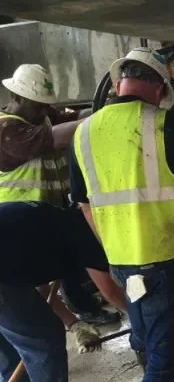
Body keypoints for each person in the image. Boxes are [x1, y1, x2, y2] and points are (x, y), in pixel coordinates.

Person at [70, 47, 174, 382]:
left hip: (119, 258)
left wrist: (111, 250)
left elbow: (83, 203)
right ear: (159, 87)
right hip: (162, 255)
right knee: (165, 348)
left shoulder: (83, 132)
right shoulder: (172, 124)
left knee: (143, 331)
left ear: (117, 83)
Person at [0, 64, 121, 325]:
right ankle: (65, 323)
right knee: (36, 281)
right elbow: (57, 137)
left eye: (46, 105)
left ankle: (79, 313)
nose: (45, 110)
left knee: (70, 265)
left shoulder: (39, 114)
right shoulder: (6, 131)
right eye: (39, 105)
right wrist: (108, 119)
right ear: (17, 98)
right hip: (17, 222)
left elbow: (76, 115)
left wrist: (112, 106)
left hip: (48, 214)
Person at [0, 201, 128, 382]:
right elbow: (111, 292)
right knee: (43, 343)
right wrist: (142, 320)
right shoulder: (83, 232)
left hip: (8, 277)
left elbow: (39, 293)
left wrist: (73, 323)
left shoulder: (54, 220)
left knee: (13, 349)